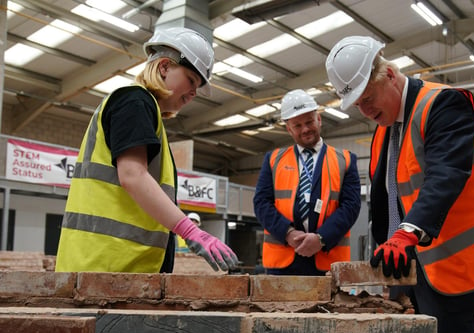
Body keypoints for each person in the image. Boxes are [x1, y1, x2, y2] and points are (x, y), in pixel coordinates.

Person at [325, 36, 474, 333]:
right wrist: (387, 250)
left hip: (459, 261)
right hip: (410, 265)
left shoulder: (444, 104)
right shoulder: (385, 128)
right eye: (356, 104)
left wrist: (407, 234)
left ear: (390, 76)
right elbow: (388, 197)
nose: (364, 110)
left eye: (368, 98)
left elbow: (446, 175)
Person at [56, 27, 238, 273]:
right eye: (192, 81)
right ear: (164, 67)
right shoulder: (134, 101)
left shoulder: (146, 111)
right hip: (107, 266)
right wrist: (189, 230)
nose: (194, 93)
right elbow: (132, 175)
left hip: (115, 266)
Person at [253, 89, 361, 275]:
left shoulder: (345, 160)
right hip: (283, 261)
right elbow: (261, 203)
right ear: (289, 129)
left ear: (318, 119)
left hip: (328, 260)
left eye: (309, 122)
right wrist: (287, 233)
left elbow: (351, 206)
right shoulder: (273, 160)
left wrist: (321, 238)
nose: (305, 129)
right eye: (297, 125)